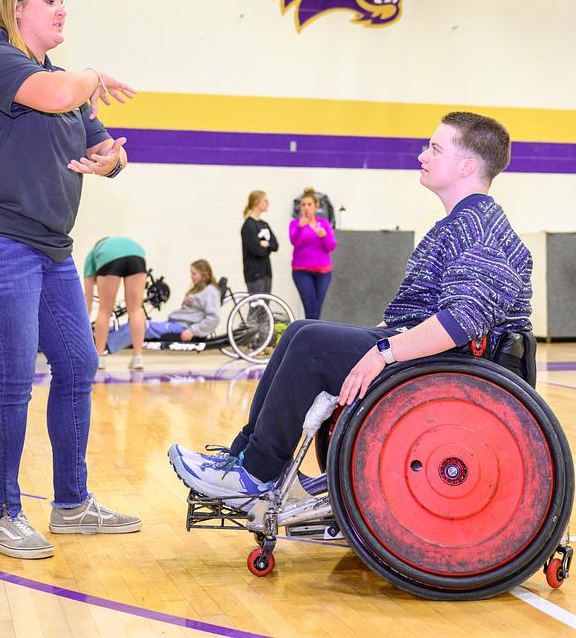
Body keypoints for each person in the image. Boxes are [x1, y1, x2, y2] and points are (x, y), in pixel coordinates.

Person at [168, 112, 532, 501]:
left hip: (458, 368)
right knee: (300, 330)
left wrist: (382, 353)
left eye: (435, 148)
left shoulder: (480, 228)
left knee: (311, 345)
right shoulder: (462, 222)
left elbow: (460, 322)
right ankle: (242, 458)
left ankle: (256, 474)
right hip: (436, 355)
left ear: (468, 166)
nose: (422, 155)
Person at [0, 0, 140, 560]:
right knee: (13, 375)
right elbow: (59, 94)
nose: (61, 10)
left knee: (79, 363)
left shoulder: (65, 84)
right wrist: (92, 74)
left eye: (64, 1)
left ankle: (72, 504)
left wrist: (112, 161)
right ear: (15, 6)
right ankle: (0, 515)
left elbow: (105, 147)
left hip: (50, 246)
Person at [83, 236, 147, 371]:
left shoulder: (92, 254)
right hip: (137, 254)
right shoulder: (124, 244)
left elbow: (87, 299)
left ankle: (99, 357)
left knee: (104, 310)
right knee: (136, 309)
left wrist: (83, 324)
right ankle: (138, 357)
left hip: (110, 258)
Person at [143, 260, 222, 342]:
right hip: (175, 324)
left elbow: (214, 317)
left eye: (194, 274)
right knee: (139, 325)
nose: (191, 276)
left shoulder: (210, 291)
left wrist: (192, 331)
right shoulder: (199, 290)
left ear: (204, 275)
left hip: (182, 328)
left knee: (141, 327)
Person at [289, 187, 336, 319]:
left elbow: (331, 246)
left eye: (309, 204)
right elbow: (294, 242)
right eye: (303, 205)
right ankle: (310, 337)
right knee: (310, 308)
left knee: (317, 309)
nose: (306, 207)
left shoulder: (324, 224)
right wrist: (299, 228)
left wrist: (324, 236)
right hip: (301, 270)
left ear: (316, 206)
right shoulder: (295, 224)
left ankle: (313, 336)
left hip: (323, 272)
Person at [240, 191, 279, 294]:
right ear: (256, 202)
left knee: (265, 306)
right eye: (265, 200)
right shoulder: (249, 225)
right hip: (254, 273)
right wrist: (267, 246)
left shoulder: (264, 224)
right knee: (257, 306)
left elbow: (275, 245)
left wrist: (266, 244)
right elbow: (257, 250)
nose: (268, 203)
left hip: (266, 271)